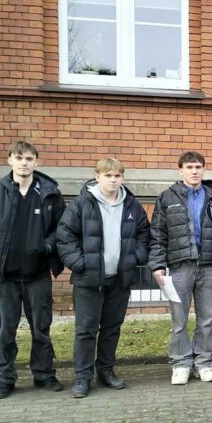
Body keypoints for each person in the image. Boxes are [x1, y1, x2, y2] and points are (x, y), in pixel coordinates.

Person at [0, 141, 66, 399]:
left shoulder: (49, 193)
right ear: (10, 160)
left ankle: (44, 374)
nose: (24, 163)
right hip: (6, 277)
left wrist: (46, 247)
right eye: (19, 158)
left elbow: (62, 229)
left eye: (28, 158)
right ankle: (5, 378)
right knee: (5, 331)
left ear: (36, 161)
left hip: (38, 275)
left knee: (41, 328)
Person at [56, 157, 150, 398]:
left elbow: (144, 234)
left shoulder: (131, 205)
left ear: (123, 178)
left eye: (117, 176)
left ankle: (106, 370)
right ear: (97, 177)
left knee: (111, 328)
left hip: (119, 278)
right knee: (86, 330)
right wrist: (80, 264)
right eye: (108, 175)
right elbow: (65, 237)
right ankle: (83, 377)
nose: (113, 180)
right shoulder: (81, 204)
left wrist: (135, 258)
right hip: (89, 280)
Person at [149, 151, 212, 385]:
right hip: (179, 267)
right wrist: (157, 265)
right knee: (179, 319)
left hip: (208, 266)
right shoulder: (167, 197)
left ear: (204, 169)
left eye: (198, 167)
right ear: (180, 171)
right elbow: (158, 234)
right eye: (189, 167)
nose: (194, 171)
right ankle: (181, 363)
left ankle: (204, 362)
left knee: (206, 319)